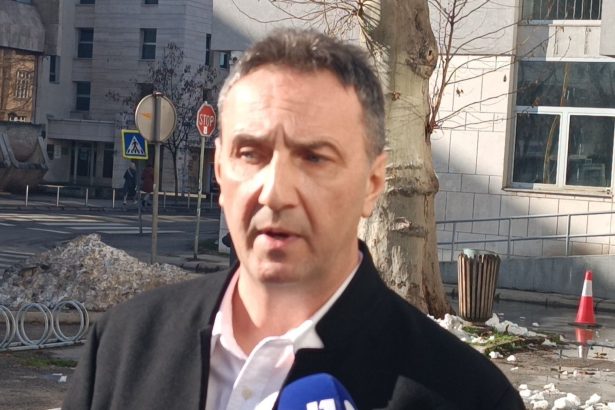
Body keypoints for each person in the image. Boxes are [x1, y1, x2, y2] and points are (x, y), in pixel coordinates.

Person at [63, 29, 524, 409]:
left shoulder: (468, 396)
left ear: (372, 183)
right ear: (219, 169)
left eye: (314, 158)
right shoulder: (123, 347)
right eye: (250, 153)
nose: (275, 191)